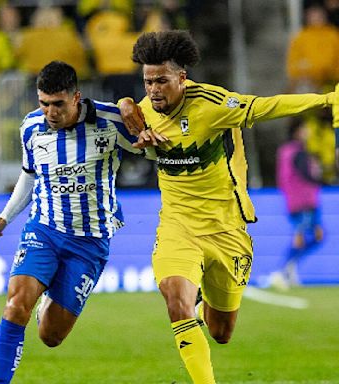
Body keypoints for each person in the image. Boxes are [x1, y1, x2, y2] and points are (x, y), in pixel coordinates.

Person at [118, 31, 338, 383]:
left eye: (162, 80)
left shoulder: (212, 105)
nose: (154, 89)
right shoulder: (142, 112)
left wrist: (326, 100)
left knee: (221, 332)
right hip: (177, 227)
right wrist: (125, 104)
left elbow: (269, 106)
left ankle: (206, 302)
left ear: (182, 78)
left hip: (226, 230)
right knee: (176, 299)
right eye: (147, 82)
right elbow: (89, 113)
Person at [0, 61, 153, 384]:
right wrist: (5, 218)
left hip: (90, 241)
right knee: (16, 306)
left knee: (51, 335)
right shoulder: (31, 127)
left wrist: (130, 106)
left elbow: (153, 149)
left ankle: (50, 300)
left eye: (57, 104)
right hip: (44, 229)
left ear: (76, 97)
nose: (49, 112)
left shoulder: (111, 120)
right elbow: (29, 176)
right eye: (44, 103)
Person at [271, 118, 324, 289]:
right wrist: (320, 176)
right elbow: (306, 175)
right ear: (298, 131)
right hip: (304, 200)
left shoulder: (285, 151)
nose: (308, 132)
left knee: (316, 236)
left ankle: (290, 267)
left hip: (294, 199)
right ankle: (281, 271)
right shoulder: (298, 152)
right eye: (305, 129)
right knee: (301, 237)